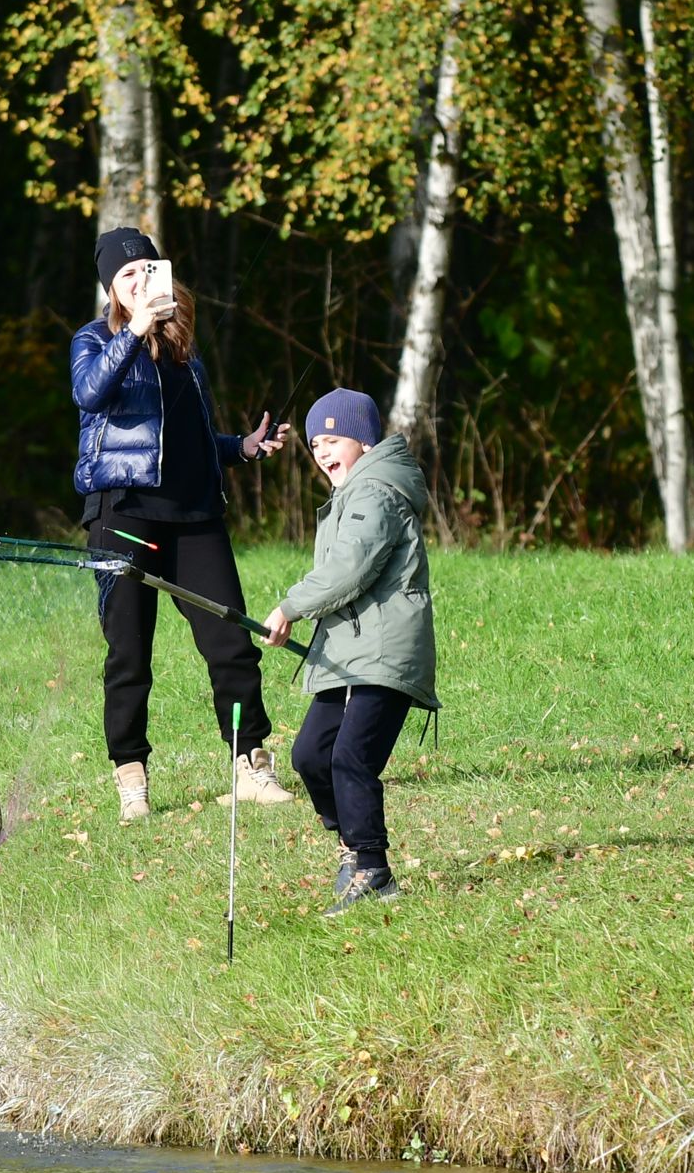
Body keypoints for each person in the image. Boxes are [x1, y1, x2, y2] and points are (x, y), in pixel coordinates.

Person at [72, 228, 292, 822]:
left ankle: (250, 763)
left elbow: (184, 441)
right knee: (129, 654)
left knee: (231, 642)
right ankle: (131, 779)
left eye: (149, 268)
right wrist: (135, 330)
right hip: (123, 514)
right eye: (127, 275)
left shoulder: (184, 356)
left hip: (194, 515)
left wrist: (240, 447)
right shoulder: (94, 341)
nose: (141, 280)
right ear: (112, 290)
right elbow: (91, 395)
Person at [261, 388, 436, 912]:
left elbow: (350, 569)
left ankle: (375, 868)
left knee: (351, 759)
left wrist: (291, 606)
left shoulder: (376, 493)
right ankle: (351, 847)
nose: (321, 452)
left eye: (332, 440)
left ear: (363, 439)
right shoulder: (350, 495)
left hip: (386, 654)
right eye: (314, 445)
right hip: (351, 655)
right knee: (310, 755)